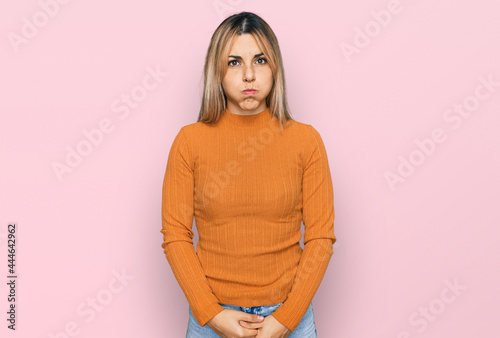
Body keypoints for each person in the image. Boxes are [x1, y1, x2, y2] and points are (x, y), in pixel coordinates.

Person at [160, 11, 336, 338]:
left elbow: (320, 238)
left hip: (289, 317)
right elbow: (175, 236)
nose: (249, 75)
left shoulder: (306, 141)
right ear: (218, 71)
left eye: (260, 60)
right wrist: (211, 315)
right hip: (213, 319)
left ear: (275, 68)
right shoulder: (189, 142)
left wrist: (286, 320)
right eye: (234, 62)